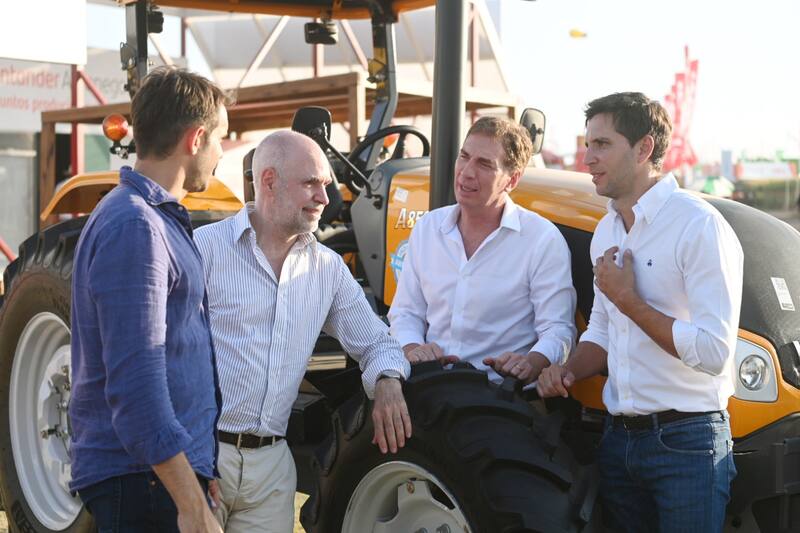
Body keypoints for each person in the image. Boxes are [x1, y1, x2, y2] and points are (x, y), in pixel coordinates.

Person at [537, 92, 743, 533]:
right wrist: (568, 371)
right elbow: (603, 333)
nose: (587, 158)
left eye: (602, 145)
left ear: (644, 148)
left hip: (687, 445)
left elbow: (713, 352)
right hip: (618, 442)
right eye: (587, 145)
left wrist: (629, 299)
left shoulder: (699, 226)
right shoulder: (606, 230)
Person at [195, 130, 411, 533]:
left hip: (274, 469)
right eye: (311, 183)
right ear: (269, 181)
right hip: (204, 454)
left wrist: (387, 380)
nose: (325, 199)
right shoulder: (204, 249)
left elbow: (378, 342)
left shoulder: (327, 269)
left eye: (326, 185)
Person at [69, 67, 228, 532]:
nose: (222, 152)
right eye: (220, 137)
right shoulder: (136, 227)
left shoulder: (148, 220)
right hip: (143, 484)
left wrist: (199, 466)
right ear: (196, 138)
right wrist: (190, 503)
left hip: (157, 478)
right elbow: (136, 387)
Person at [388, 116, 576, 383]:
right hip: (430, 387)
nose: (466, 172)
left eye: (484, 164)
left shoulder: (541, 239)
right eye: (464, 157)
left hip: (503, 398)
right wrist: (413, 350)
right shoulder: (427, 228)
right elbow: (406, 312)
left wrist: (531, 363)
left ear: (512, 180)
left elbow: (558, 329)